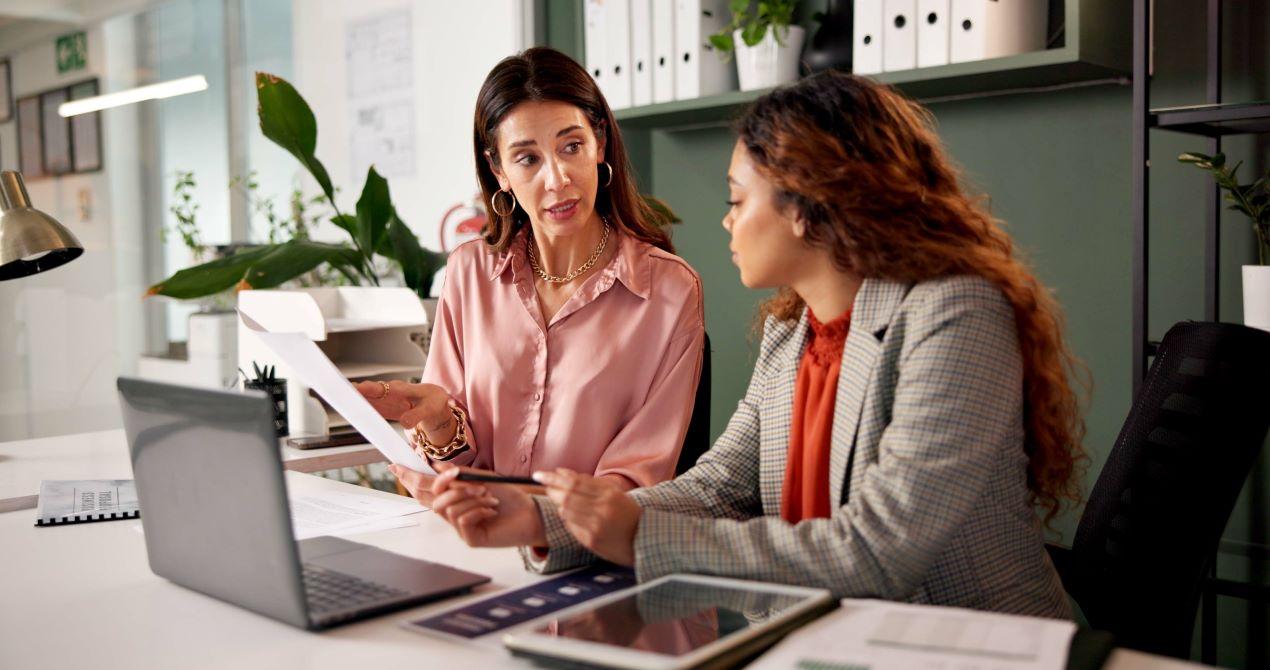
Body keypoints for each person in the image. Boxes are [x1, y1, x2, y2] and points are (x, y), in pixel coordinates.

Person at [425, 71, 1088, 619]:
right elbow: (718, 487)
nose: (727, 220)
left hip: (971, 648)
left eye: (738, 200)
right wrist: (548, 521)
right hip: (828, 641)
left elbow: (880, 552)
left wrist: (637, 532)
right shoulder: (791, 334)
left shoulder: (954, 314)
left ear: (805, 204)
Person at [358, 47, 705, 504]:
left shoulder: (668, 291)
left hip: (583, 552)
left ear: (599, 143)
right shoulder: (469, 274)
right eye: (527, 159)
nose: (558, 179)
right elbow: (444, 472)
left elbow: (637, 478)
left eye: (571, 146)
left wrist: (537, 523)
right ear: (498, 170)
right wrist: (439, 420)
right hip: (467, 535)